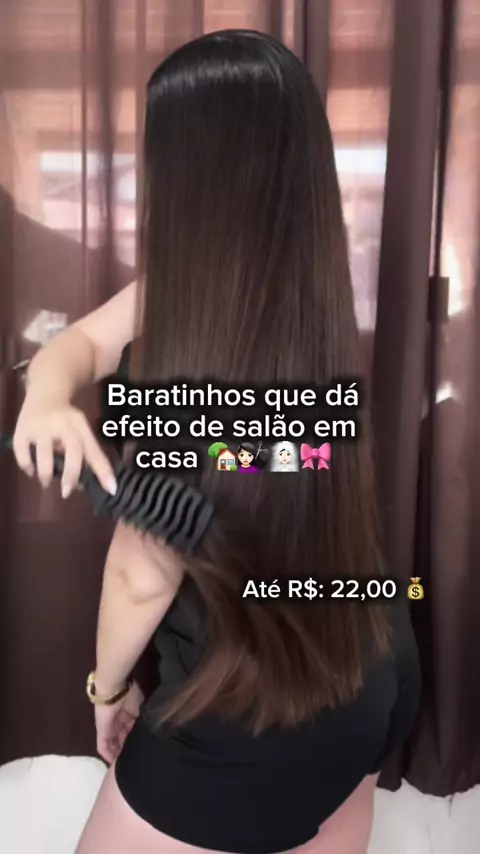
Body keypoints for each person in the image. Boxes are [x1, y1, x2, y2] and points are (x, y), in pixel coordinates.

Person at [12, 30, 421, 854]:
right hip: (374, 656)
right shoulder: (302, 301)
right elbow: (79, 344)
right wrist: (46, 393)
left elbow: (140, 573)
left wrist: (107, 692)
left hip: (257, 705)